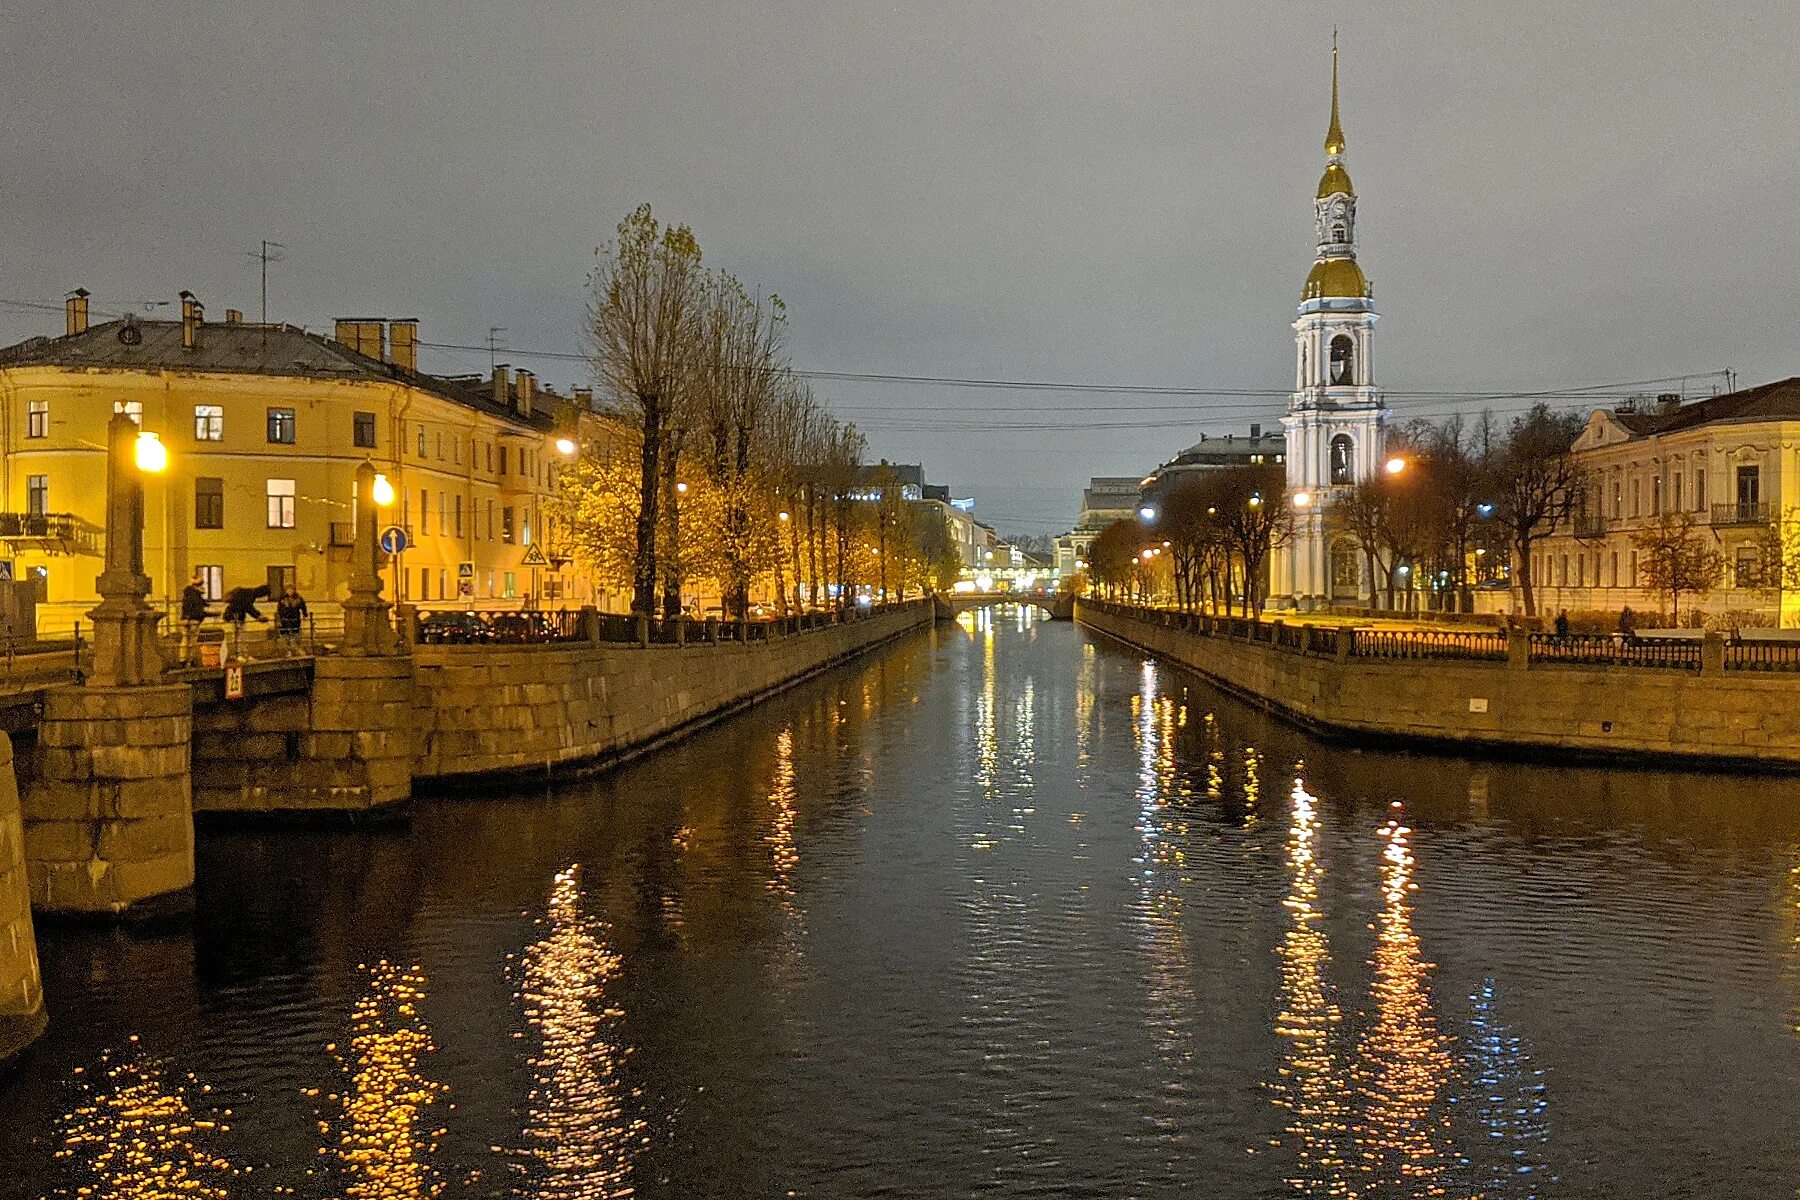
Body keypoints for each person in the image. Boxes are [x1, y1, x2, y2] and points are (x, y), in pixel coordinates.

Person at [222, 583, 271, 659]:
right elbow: (248, 607)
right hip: (237, 617)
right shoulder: (250, 594)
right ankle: (241, 655)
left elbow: (246, 607)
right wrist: (259, 616)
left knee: (236, 637)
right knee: (241, 636)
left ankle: (238, 655)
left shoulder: (246, 591)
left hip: (232, 616)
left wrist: (258, 615)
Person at [179, 573, 210, 665]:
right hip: (194, 620)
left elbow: (186, 607)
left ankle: (182, 660)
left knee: (184, 640)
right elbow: (198, 609)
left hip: (184, 620)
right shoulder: (196, 596)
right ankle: (190, 660)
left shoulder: (187, 594)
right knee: (193, 641)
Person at [274, 584, 308, 655]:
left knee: (296, 634)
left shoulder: (298, 598)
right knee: (287, 636)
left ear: (294, 590)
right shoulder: (283, 598)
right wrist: (279, 619)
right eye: (288, 590)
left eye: (291, 590)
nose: (290, 591)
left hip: (295, 620)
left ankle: (297, 649)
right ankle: (289, 651)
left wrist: (305, 615)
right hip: (285, 620)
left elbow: (303, 607)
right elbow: (279, 609)